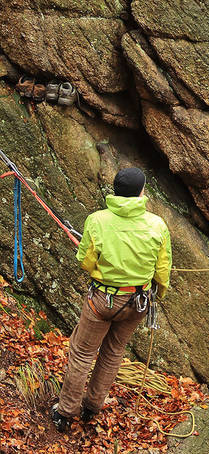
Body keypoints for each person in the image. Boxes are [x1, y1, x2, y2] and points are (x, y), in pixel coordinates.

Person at [51, 166, 172, 431]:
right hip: (138, 302)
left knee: (82, 353)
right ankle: (92, 406)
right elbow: (162, 271)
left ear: (115, 192)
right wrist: (158, 294)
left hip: (103, 300)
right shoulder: (157, 225)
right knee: (113, 352)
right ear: (141, 192)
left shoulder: (97, 221)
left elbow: (85, 260)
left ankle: (66, 412)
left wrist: (100, 272)